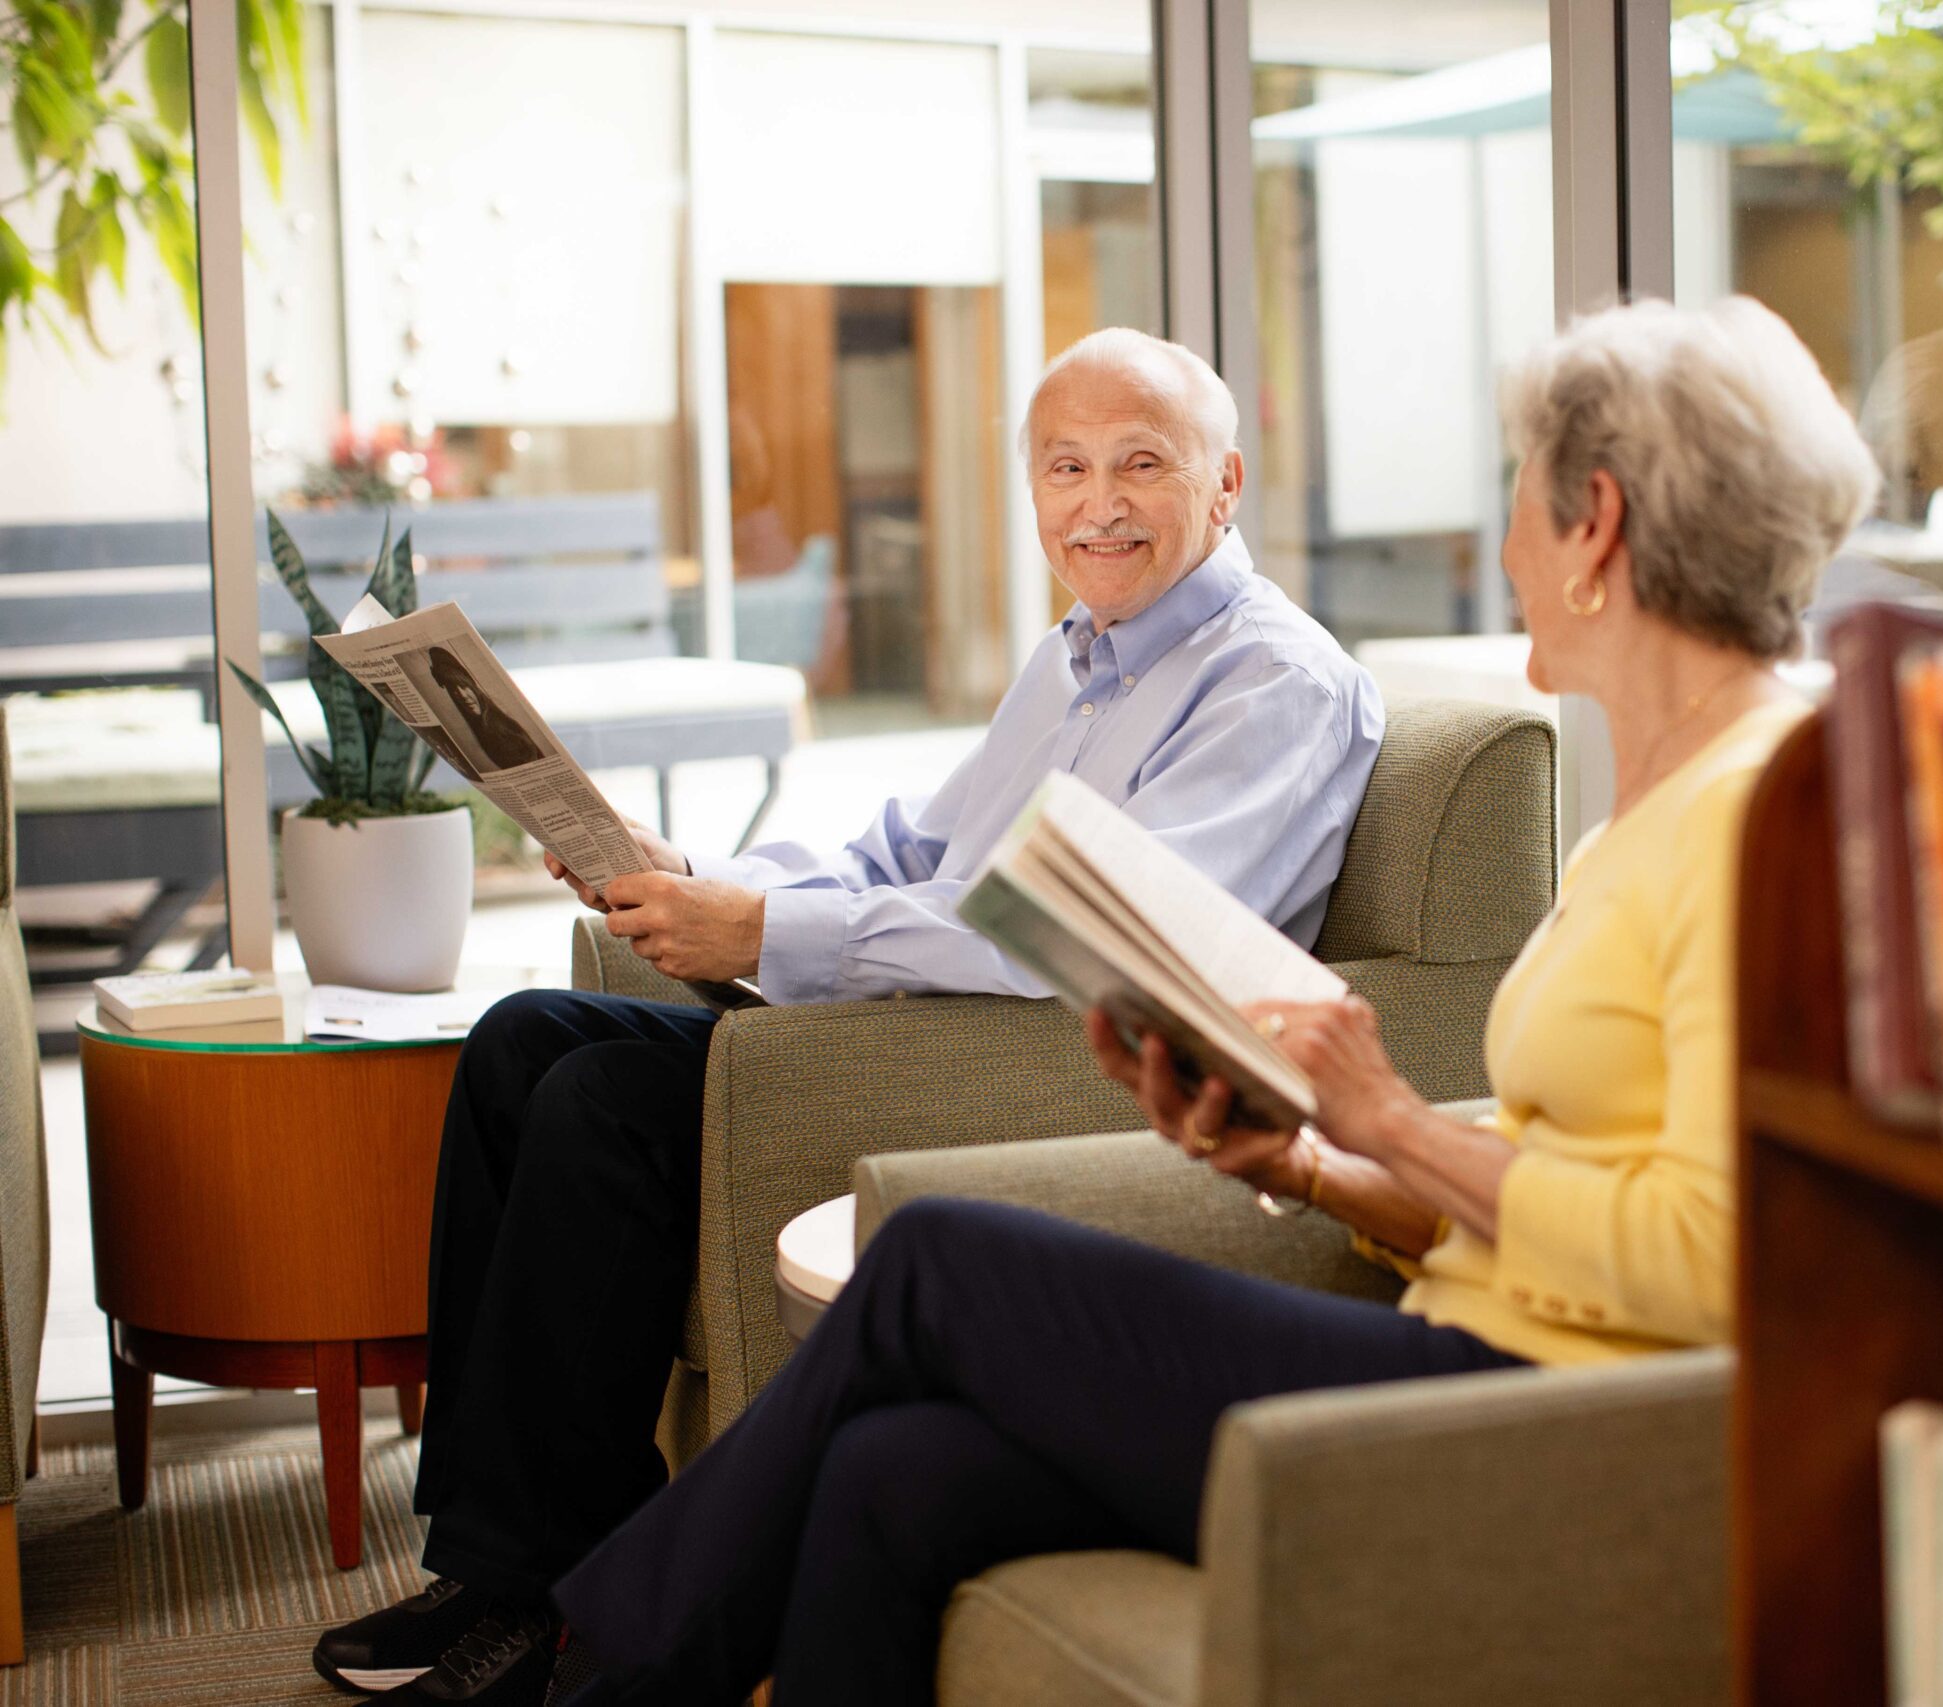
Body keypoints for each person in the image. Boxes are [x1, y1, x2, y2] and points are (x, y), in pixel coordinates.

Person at [536, 297, 1884, 1707]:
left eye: (1517, 507)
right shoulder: (1656, 813)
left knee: (936, 1259)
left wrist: (1393, 1123)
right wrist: (1310, 1159)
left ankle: (601, 1679)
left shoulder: (1758, 819)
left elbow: (1723, 1258)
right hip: (1475, 1327)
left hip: (1535, 1407)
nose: (1503, 552)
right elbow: (1580, 1179)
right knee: (895, 1474)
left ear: (1593, 523)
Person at [312, 328, 1385, 1704]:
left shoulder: (1273, 682)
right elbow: (912, 856)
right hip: (924, 1023)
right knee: (527, 1042)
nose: (1097, 502)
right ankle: (494, 1562)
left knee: (603, 1104)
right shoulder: (1077, 658)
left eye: (1141, 464)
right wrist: (705, 878)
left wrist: (770, 936)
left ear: (1225, 483)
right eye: (1065, 466)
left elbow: (1096, 941)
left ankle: (533, 1599)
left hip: (1048, 1066)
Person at [426, 646, 544, 772]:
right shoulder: (481, 728)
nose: (463, 696)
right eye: (454, 691)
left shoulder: (500, 726)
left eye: (464, 686)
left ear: (473, 687)